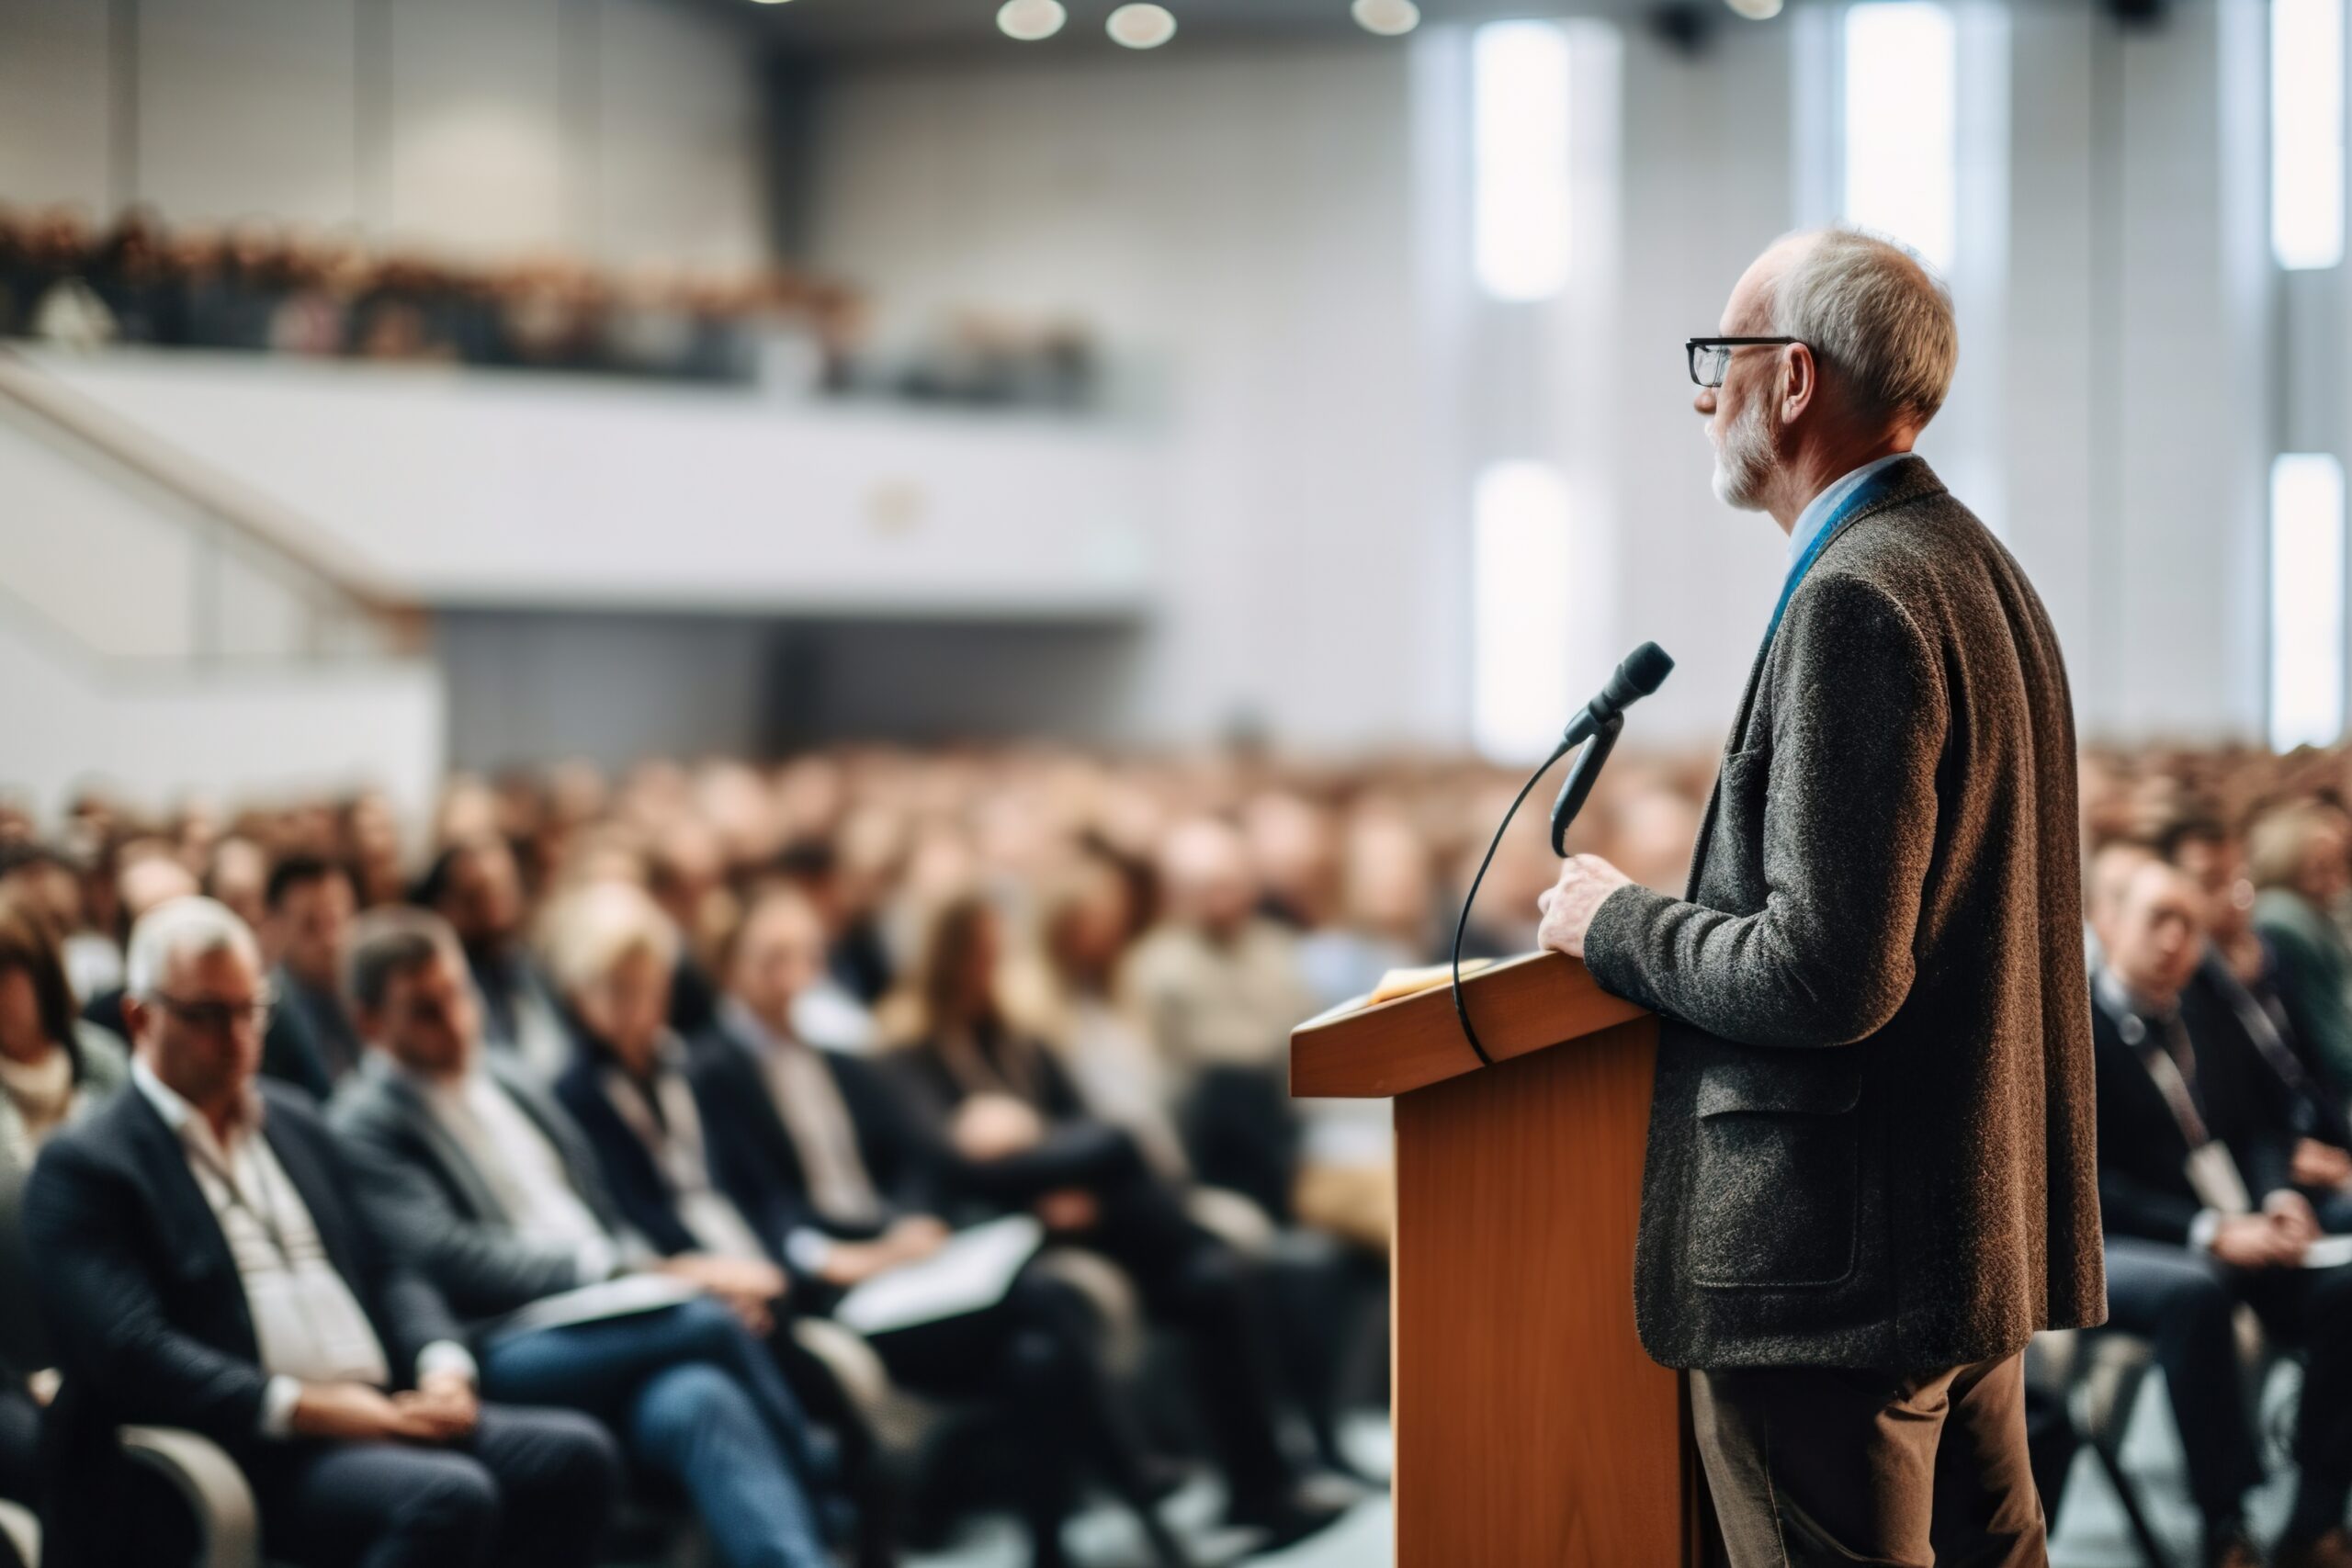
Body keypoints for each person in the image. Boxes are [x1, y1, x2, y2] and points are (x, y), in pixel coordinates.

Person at [1532, 227, 2104, 1567]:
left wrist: (1617, 922)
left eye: (1719, 359)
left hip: (1836, 1272)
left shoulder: (1859, 596)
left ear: (1791, 380)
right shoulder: (1979, 570)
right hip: (1958, 1235)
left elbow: (1825, 974)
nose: (1700, 393)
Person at [23, 897, 621, 1568]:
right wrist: (308, 1406)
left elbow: (391, 1264)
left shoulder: (296, 1118)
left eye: (251, 1007)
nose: (237, 1035)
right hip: (251, 1441)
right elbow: (132, 1350)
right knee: (449, 1495)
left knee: (575, 1455)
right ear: (140, 1016)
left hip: (382, 1405)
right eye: (206, 1014)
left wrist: (441, 1365)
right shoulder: (89, 1161)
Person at [695, 885, 1193, 1568]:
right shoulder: (712, 1071)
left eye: (805, 955)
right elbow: (752, 1199)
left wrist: (912, 1226)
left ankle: (1052, 1547)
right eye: (770, 958)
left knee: (1038, 1360)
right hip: (838, 1283)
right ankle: (1133, 1479)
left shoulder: (838, 1056)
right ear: (729, 965)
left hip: (906, 1268)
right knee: (1045, 1299)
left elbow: (911, 1165)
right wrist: (844, 1254)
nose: (793, 976)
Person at [328, 908, 840, 1568]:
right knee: (712, 1319)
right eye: (425, 1009)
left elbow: (597, 1204)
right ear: (370, 1021)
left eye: (459, 992)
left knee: (696, 1399)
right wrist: (636, 1274)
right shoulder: (363, 1121)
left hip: (614, 1314)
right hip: (509, 1338)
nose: (455, 1020)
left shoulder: (507, 1075)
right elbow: (447, 1254)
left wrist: (643, 1273)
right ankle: (828, 1490)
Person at [883, 895, 1346, 1551]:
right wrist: (1041, 1169)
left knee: (1214, 1278)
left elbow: (1072, 1120)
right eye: (980, 954)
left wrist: (1029, 1138)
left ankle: (1261, 1486)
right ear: (946, 959)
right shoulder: (906, 1054)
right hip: (1007, 1230)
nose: (992, 967)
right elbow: (951, 1167)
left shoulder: (1017, 1034)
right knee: (1123, 1151)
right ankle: (1179, 1234)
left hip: (1086, 1213)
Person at [2090, 855, 2352, 1568]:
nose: (2177, 939)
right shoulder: (2079, 1030)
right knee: (2196, 1290)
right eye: (2158, 920)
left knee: (2343, 1291)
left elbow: (2260, 1132)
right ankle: (2225, 1521)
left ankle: (2315, 1516)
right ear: (2106, 924)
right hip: (2136, 1239)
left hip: (2243, 1224)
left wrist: (2279, 1196)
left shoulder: (2205, 1010)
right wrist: (2209, 1231)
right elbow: (2087, 1183)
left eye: (2189, 923)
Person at [0, 898, 130, 1535]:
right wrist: (26, 1375)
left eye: (6, 973)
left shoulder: (104, 1062)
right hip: (16, 1348)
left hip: (118, 1311)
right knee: (61, 1454)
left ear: (39, 974)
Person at [2165, 814, 2352, 1230]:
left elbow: (2307, 1068)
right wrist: (2289, 1157)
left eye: (2239, 877)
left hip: (2318, 1141)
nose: (2236, 896)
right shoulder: (2185, 985)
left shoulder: (2264, 953)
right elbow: (2227, 1117)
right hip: (2269, 1175)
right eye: (2212, 882)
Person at [414, 836, 574, 1081]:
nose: (497, 910)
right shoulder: (453, 988)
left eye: (503, 891)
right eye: (478, 897)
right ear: (446, 907)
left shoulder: (525, 962)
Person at [2251, 802, 2352, 1093]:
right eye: (2321, 868)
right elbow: (2330, 1044)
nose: (2337, 881)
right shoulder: (2286, 920)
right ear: (2287, 863)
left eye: (2338, 864)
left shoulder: (2309, 912)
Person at [261, 855, 367, 1097]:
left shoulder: (366, 992)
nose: (331, 940)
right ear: (277, 927)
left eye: (337, 921)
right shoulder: (269, 1015)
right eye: (311, 926)